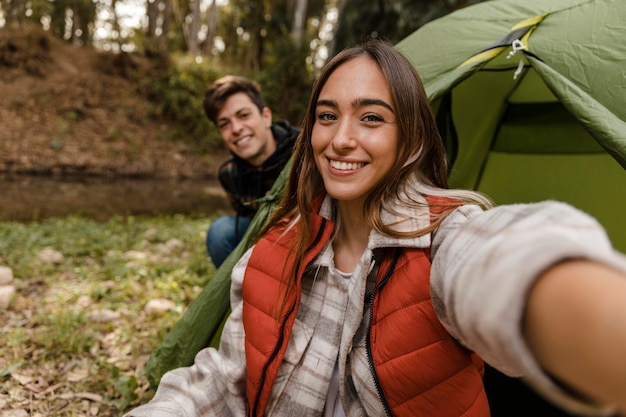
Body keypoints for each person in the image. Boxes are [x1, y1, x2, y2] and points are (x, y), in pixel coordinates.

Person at [126, 39, 626, 416]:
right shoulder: (273, 248)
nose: (342, 139)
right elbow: (227, 378)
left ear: (408, 137)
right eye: (327, 116)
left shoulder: (443, 239)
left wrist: (577, 301)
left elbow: (503, 258)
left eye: (371, 117)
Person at [203, 75, 299, 268]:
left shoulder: (305, 151)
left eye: (244, 115)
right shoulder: (229, 174)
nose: (236, 128)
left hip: (309, 238)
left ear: (266, 117)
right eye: (224, 124)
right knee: (221, 231)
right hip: (265, 239)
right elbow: (247, 219)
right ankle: (242, 292)